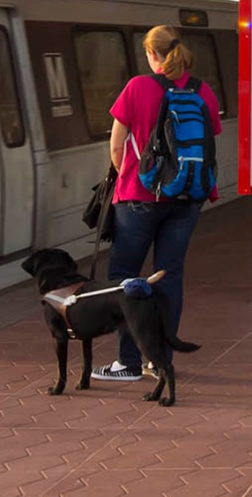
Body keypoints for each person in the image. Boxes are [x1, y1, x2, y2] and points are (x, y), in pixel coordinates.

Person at [94, 24, 219, 382]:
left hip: (138, 199)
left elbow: (117, 147)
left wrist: (133, 177)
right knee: (170, 275)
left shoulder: (138, 87)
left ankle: (129, 362)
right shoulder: (202, 90)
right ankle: (160, 360)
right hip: (187, 199)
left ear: (152, 54)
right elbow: (209, 143)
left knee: (124, 279)